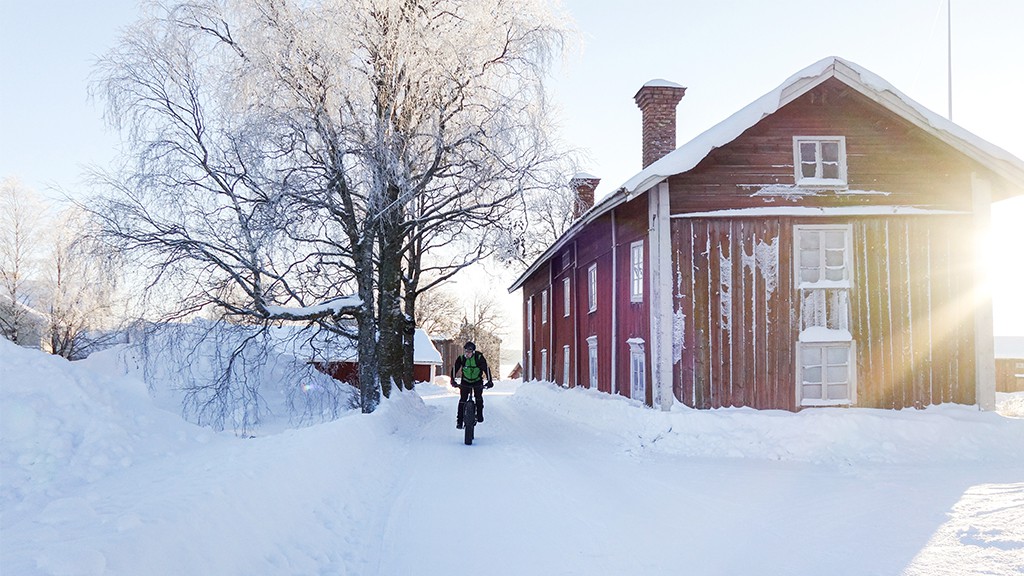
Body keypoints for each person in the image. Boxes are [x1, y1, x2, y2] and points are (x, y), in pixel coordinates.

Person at [451, 341, 493, 429]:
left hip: (477, 380)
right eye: (466, 351)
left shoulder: (479, 358)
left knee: (478, 397)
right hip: (465, 381)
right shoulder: (461, 358)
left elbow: (486, 369)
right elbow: (455, 368)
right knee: (462, 400)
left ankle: (479, 415)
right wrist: (453, 380)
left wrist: (490, 381)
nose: (467, 354)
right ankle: (459, 421)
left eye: (469, 352)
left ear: (473, 352)